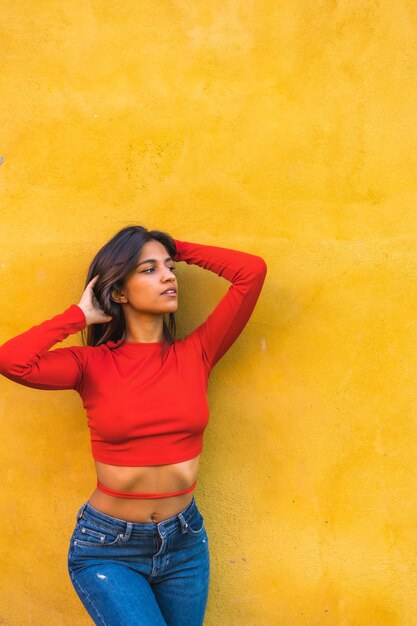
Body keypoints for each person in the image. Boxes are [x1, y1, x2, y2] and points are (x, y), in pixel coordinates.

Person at [0, 224, 267, 626]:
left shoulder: (198, 353)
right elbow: (12, 360)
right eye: (148, 269)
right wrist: (79, 315)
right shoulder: (90, 364)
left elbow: (251, 272)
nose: (168, 276)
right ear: (119, 292)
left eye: (170, 267)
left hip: (184, 543)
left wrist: (174, 245)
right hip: (109, 547)